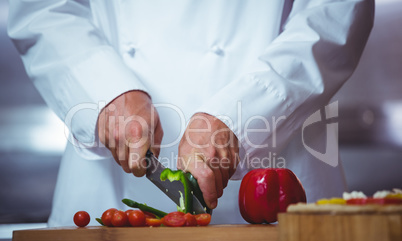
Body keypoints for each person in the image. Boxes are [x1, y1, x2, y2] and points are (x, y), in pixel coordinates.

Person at [8, 0, 374, 226]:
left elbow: (336, 12)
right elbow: (41, 8)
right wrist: (104, 92)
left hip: (279, 166)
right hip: (106, 188)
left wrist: (243, 112)